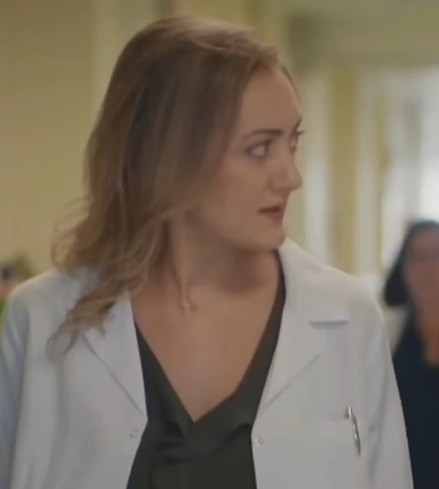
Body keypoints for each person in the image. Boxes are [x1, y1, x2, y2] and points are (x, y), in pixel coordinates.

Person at [0, 16, 412, 489]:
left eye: (292, 143)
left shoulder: (348, 319)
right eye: (260, 149)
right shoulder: (43, 320)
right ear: (170, 158)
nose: (291, 176)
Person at [383, 219, 439, 489]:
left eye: (436, 256)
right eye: (418, 258)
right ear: (403, 269)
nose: (429, 269)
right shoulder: (386, 335)